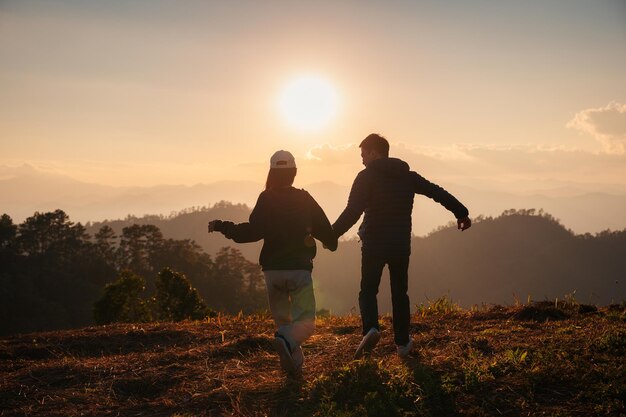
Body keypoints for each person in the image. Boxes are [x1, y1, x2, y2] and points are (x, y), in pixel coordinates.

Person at [332, 134, 471, 359]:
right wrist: (461, 212)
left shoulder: (365, 177)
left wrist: (331, 235)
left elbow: (352, 212)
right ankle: (403, 343)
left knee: (368, 289)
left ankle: (370, 330)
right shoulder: (407, 176)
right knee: (400, 293)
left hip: (374, 244)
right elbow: (437, 192)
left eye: (363, 155)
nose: (362, 160)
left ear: (375, 152)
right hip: (399, 244)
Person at [208, 150, 337, 377]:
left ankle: (294, 370)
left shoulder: (266, 198)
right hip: (299, 270)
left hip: (273, 272)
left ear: (272, 172)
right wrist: (331, 242)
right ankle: (286, 344)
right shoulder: (305, 198)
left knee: (284, 326)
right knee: (304, 326)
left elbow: (252, 232)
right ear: (295, 173)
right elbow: (325, 229)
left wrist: (222, 226)